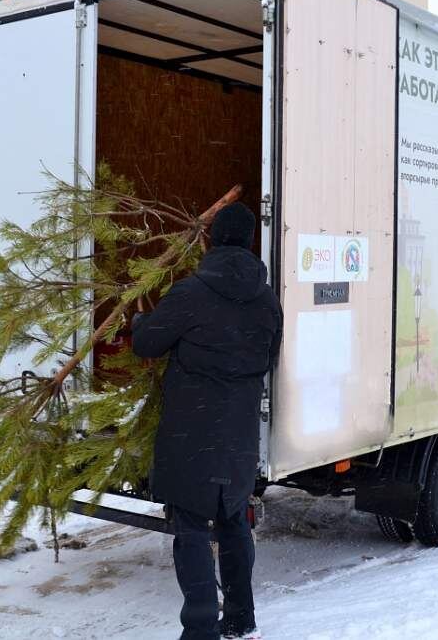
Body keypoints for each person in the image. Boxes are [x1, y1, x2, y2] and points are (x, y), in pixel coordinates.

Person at [131, 202, 283, 640]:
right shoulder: (268, 300)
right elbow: (269, 359)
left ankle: (200, 628)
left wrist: (140, 318)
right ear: (250, 241)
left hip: (190, 431)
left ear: (213, 240)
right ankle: (240, 617)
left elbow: (147, 343)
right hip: (239, 431)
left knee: (193, 527)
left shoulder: (191, 292)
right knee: (234, 521)